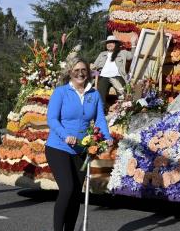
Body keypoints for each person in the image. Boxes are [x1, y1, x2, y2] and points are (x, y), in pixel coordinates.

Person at [46, 59, 112, 231]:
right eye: (76, 70)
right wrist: (65, 135)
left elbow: (99, 119)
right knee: (67, 189)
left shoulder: (94, 94)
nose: (80, 73)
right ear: (70, 72)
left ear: (88, 72)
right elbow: (52, 119)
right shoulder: (61, 92)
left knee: (76, 194)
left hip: (81, 150)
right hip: (58, 147)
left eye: (84, 70)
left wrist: (107, 137)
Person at [91, 35, 132, 105]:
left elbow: (133, 56)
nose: (109, 44)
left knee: (123, 93)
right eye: (108, 43)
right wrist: (94, 77)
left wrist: (133, 45)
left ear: (116, 44)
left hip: (117, 76)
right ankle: (101, 110)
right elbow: (95, 67)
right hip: (103, 77)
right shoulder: (102, 54)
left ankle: (124, 110)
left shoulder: (122, 53)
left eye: (112, 42)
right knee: (100, 92)